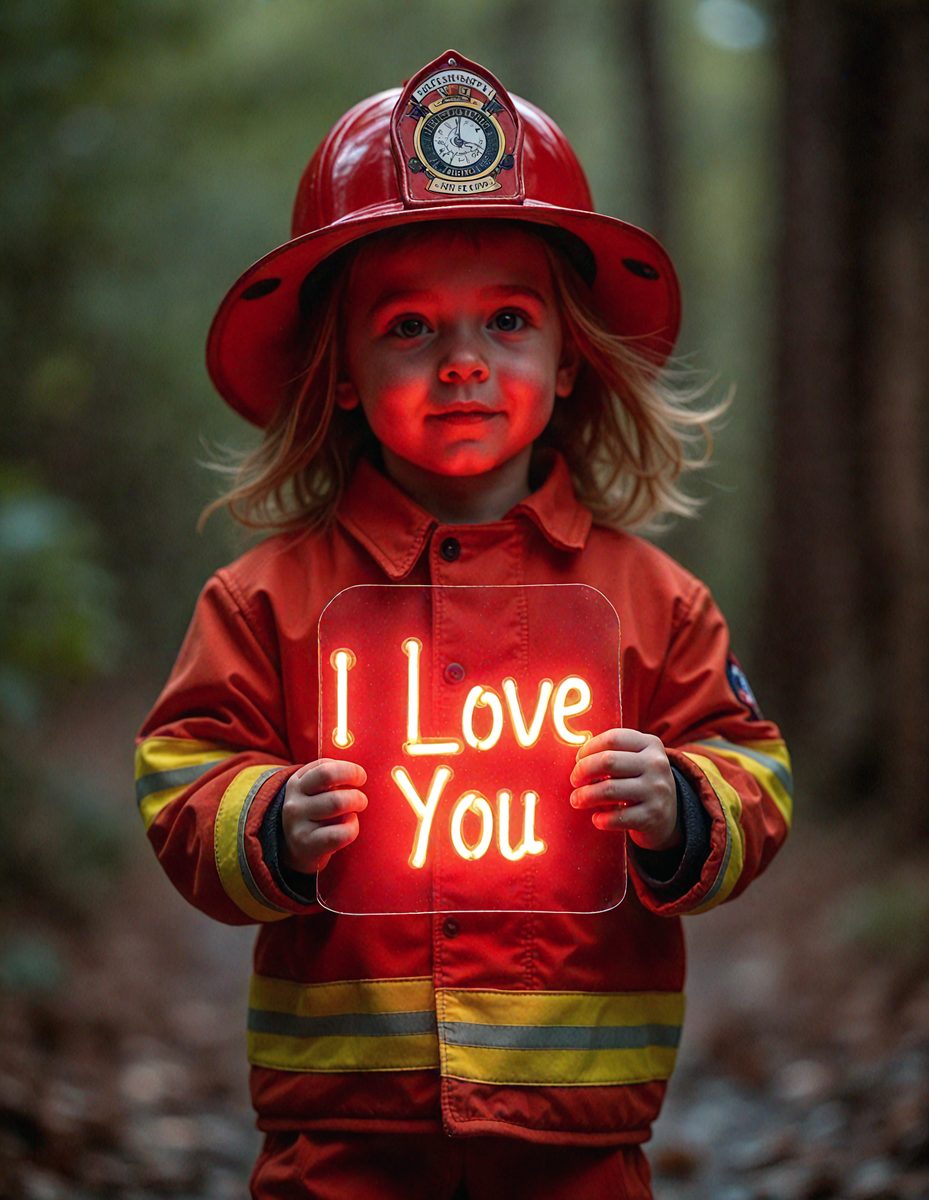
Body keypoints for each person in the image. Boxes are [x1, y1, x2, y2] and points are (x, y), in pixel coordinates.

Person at [136, 50, 792, 1199]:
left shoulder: (655, 603)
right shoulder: (260, 604)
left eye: (504, 319)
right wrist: (262, 820)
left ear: (569, 358)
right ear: (335, 371)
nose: (461, 364)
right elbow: (180, 775)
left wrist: (686, 804)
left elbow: (756, 774)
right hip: (339, 1137)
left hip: (578, 1143)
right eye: (406, 328)